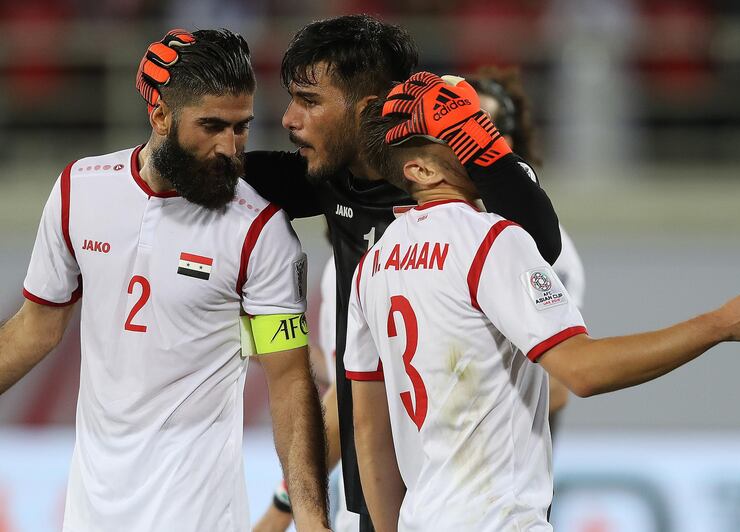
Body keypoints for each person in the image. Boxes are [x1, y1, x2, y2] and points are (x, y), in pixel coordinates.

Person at [139, 15, 564, 532]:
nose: (290, 119)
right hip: (376, 499)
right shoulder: (329, 181)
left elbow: (541, 242)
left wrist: (476, 142)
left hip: (481, 508)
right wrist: (172, 115)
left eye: (310, 101)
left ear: (366, 111)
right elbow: (206, 168)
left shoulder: (463, 185)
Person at [344, 73, 740, 531]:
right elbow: (582, 371)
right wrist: (719, 324)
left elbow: (368, 428)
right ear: (420, 170)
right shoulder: (493, 241)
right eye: (461, 135)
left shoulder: (372, 265)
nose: (481, 145)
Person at [0, 29, 329, 531]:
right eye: (212, 126)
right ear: (159, 115)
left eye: (241, 128)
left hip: (198, 512)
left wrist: (310, 517)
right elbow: (35, 329)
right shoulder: (78, 191)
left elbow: (288, 379)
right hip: (91, 510)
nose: (230, 148)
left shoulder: (259, 231)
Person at [468, 67, 586, 432]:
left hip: (507, 461)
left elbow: (559, 385)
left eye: (474, 129)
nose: (460, 143)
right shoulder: (414, 232)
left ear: (507, 143)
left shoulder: (546, 246)